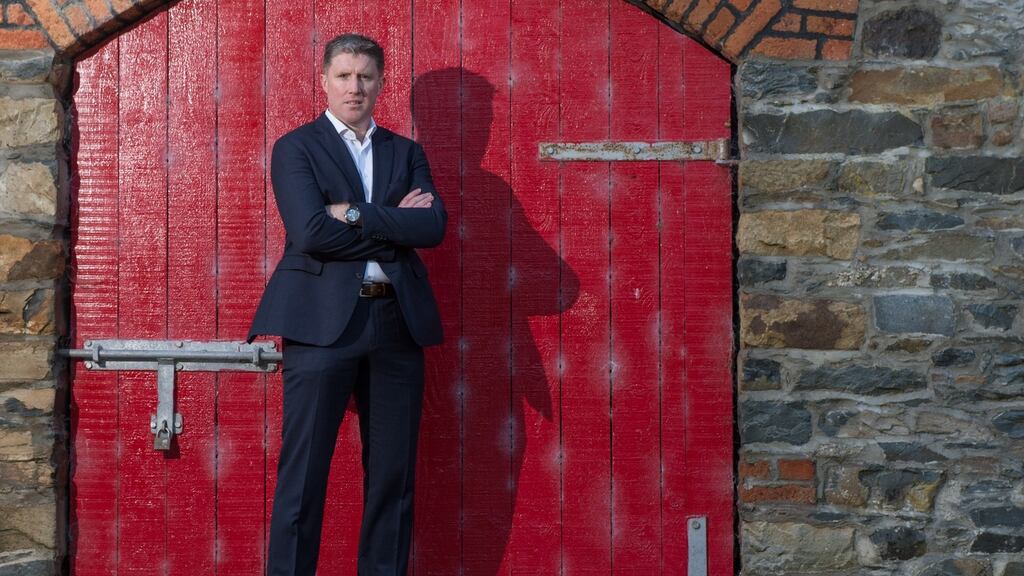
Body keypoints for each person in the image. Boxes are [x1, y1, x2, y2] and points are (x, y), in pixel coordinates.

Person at [247, 33, 447, 576]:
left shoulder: (406, 152)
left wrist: (354, 214)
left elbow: (432, 225)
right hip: (321, 328)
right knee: (303, 477)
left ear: (382, 84)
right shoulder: (296, 147)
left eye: (365, 76)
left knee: (392, 480)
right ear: (325, 81)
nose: (354, 87)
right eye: (343, 76)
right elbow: (311, 232)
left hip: (396, 325)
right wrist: (391, 221)